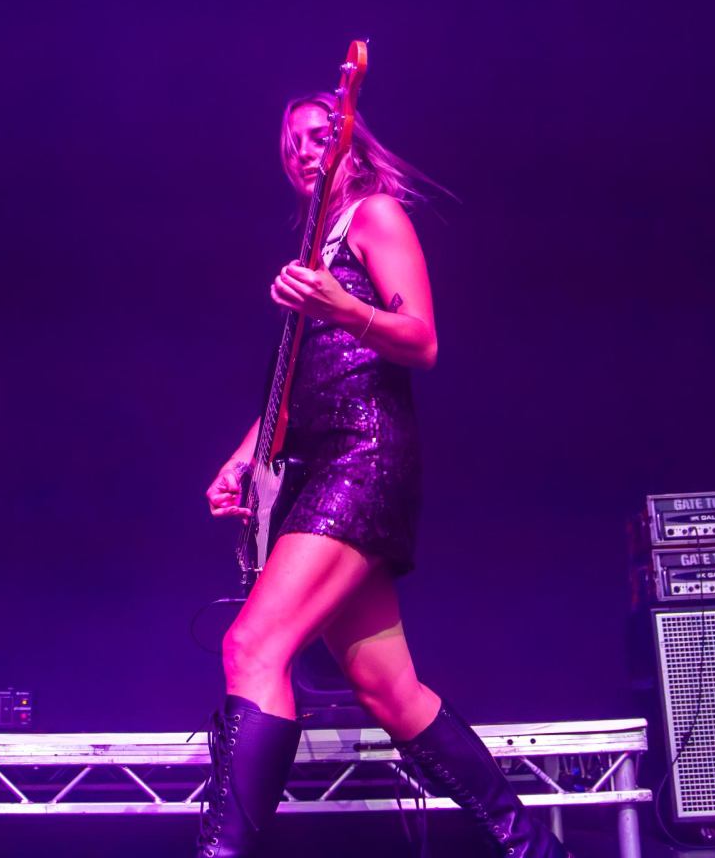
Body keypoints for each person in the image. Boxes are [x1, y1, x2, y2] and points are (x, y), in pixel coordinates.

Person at [198, 92, 568, 857]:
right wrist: (242, 459)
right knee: (389, 691)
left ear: (352, 143)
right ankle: (536, 849)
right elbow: (300, 385)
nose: (303, 152)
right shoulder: (316, 248)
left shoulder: (374, 217)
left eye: (317, 135)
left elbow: (421, 341)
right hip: (314, 467)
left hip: (361, 461)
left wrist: (343, 306)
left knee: (252, 647)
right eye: (290, 143)